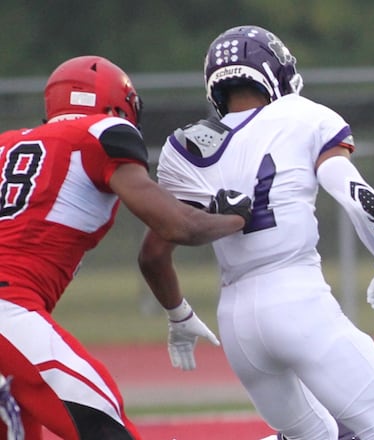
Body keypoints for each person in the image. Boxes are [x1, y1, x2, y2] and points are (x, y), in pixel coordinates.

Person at [137, 25, 374, 440]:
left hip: (236, 321)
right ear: (273, 72)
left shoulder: (184, 148)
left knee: (314, 436)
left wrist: (179, 315)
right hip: (298, 299)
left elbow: (153, 254)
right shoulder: (303, 115)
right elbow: (358, 196)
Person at [0, 55, 252, 440]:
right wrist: (235, 218)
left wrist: (178, 312)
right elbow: (176, 226)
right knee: (108, 427)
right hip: (9, 308)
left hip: (13, 315)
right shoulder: (102, 131)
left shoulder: (6, 145)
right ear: (117, 103)